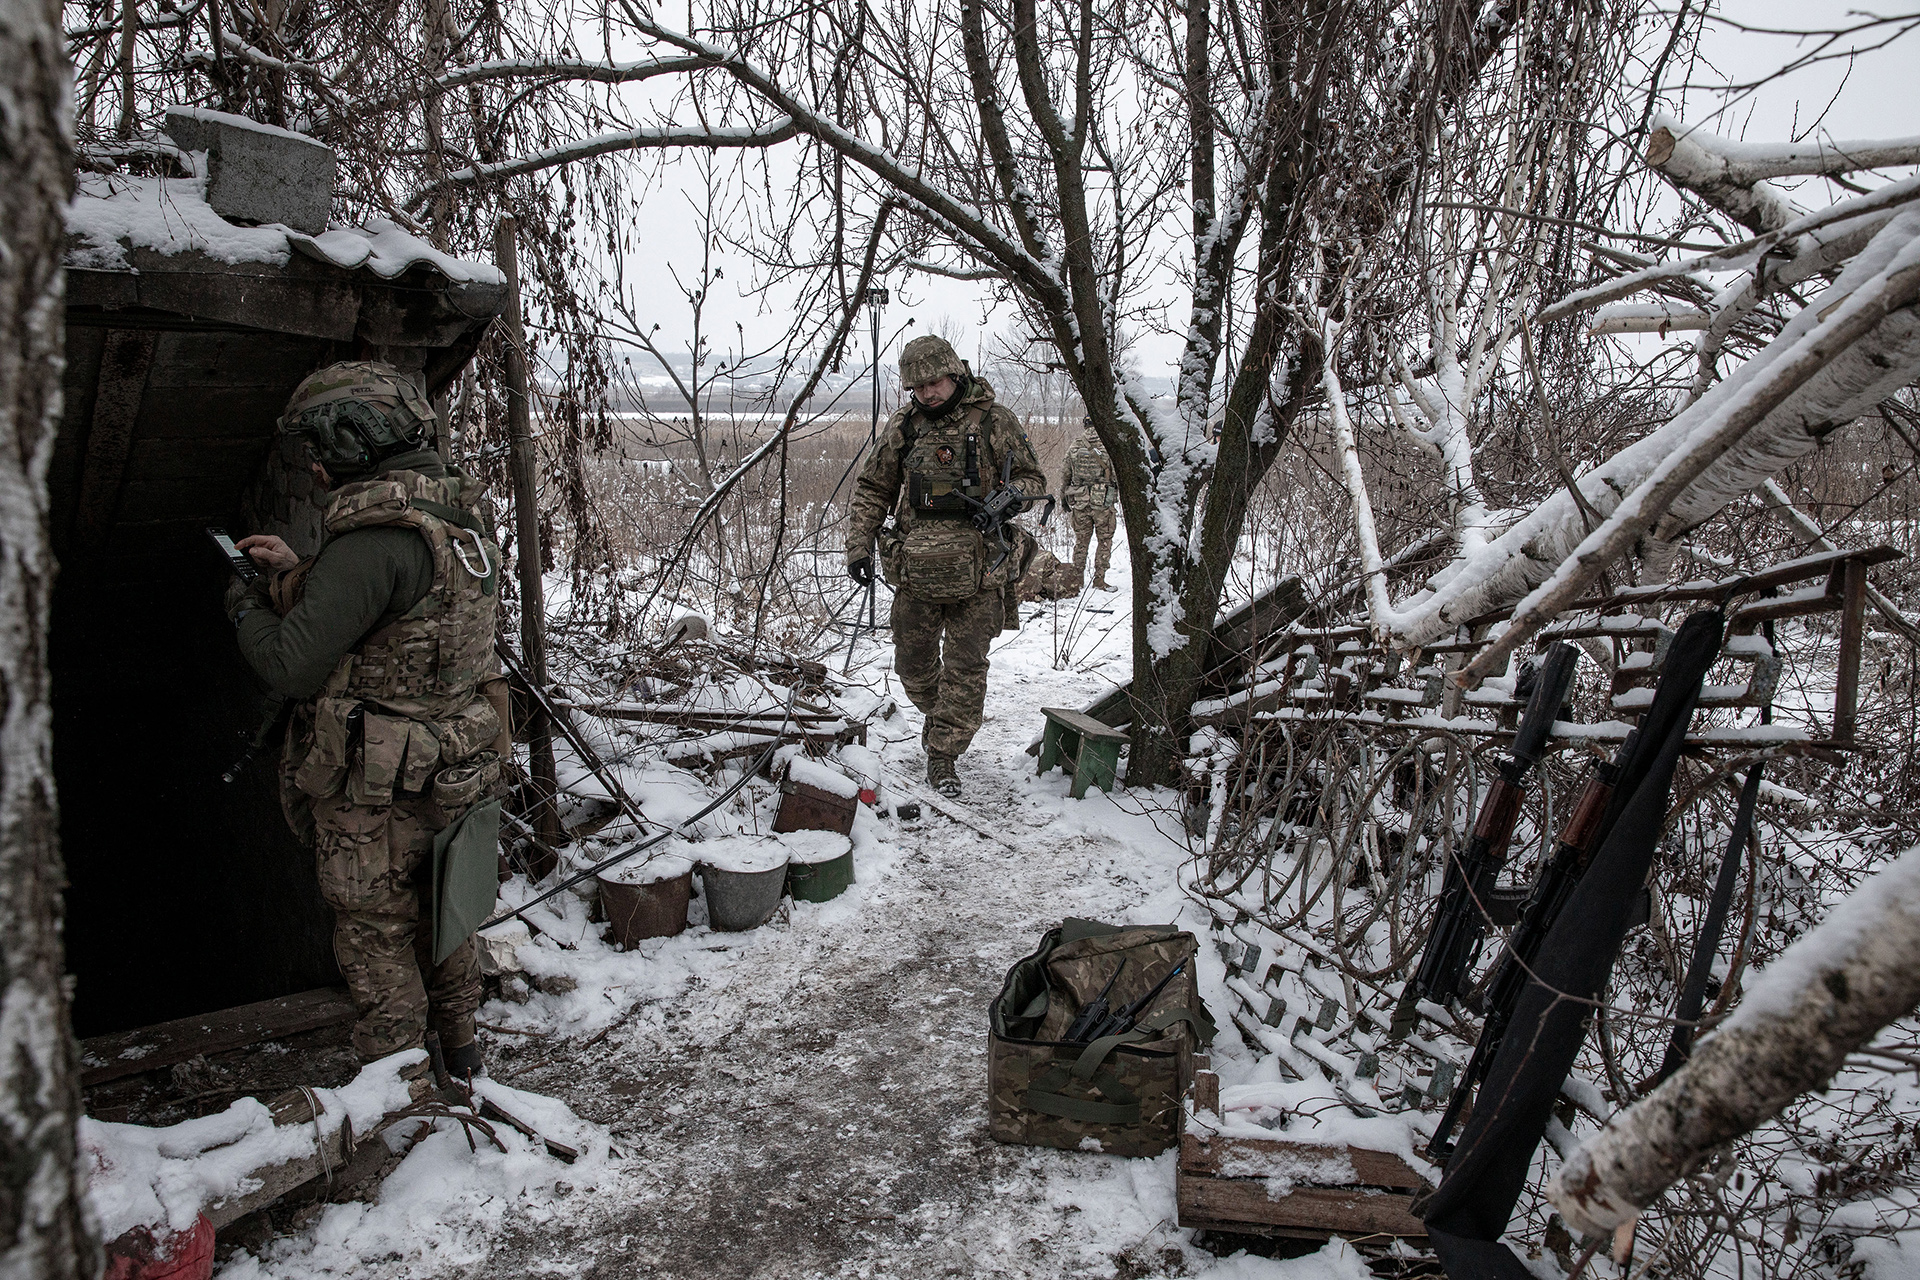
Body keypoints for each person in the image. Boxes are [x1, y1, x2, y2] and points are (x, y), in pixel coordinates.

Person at [227, 361, 505, 1078]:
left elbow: (291, 664)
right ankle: (462, 1054)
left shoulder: (371, 542)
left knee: (376, 937)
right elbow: (401, 623)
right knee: (446, 908)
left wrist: (246, 605)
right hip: (453, 765)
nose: (314, 467)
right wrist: (298, 571)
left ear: (353, 441)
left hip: (378, 790)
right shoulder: (459, 522)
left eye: (317, 449)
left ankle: (400, 1093)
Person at [846, 336, 1045, 796]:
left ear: (954, 374)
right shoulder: (906, 426)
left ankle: (943, 754)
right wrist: (858, 547)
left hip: (981, 569)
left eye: (933, 383)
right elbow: (874, 488)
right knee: (912, 664)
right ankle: (943, 717)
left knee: (966, 667)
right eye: (917, 387)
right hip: (916, 568)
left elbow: (1033, 479)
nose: (927, 393)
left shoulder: (994, 421)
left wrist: (1011, 496)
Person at [1062, 419, 1118, 590]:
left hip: (1080, 501)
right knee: (1104, 540)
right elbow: (1116, 474)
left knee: (1081, 541)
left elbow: (1065, 474)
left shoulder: (1075, 445)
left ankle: (1077, 579)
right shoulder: (1108, 446)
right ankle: (1099, 579)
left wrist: (1064, 498)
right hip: (1103, 502)